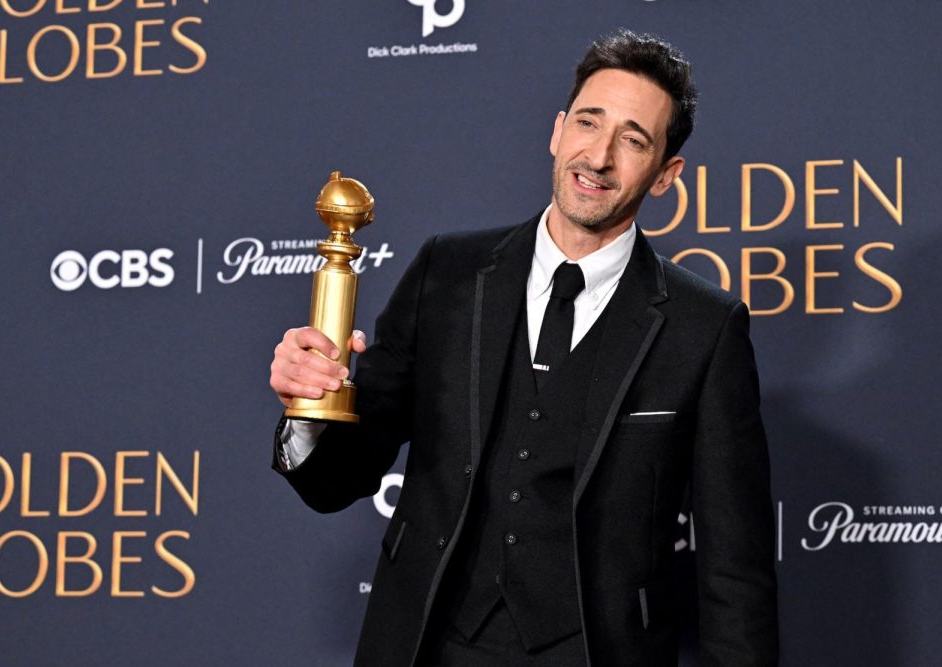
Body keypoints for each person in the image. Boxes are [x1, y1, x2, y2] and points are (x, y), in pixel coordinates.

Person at [269, 29, 777, 666]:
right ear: (557, 131)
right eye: (588, 124)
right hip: (430, 644)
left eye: (633, 139)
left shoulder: (705, 327)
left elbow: (736, 572)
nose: (599, 157)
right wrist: (308, 408)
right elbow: (340, 478)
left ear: (665, 175)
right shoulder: (446, 273)